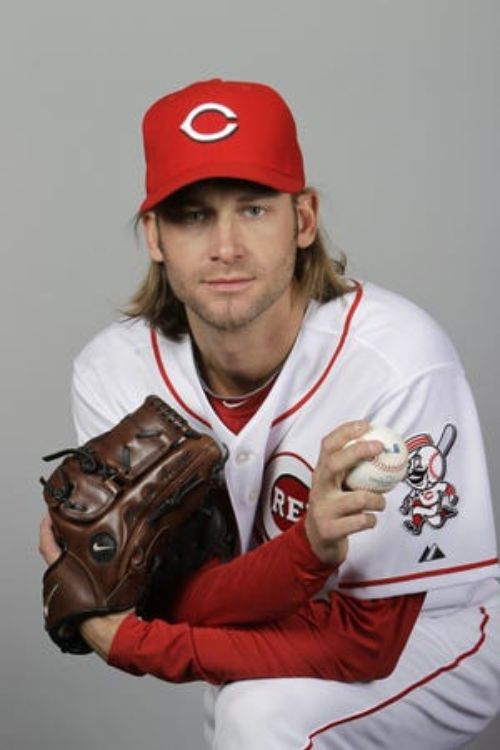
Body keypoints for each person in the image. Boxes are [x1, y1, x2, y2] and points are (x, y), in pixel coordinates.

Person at [39, 78, 500, 749]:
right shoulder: (114, 372)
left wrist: (142, 644)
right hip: (263, 628)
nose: (225, 246)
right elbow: (170, 595)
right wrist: (302, 554)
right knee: (247, 712)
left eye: (253, 209)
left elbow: (365, 645)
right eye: (192, 215)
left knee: (260, 719)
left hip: (436, 633)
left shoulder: (397, 360)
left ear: (303, 219)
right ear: (155, 236)